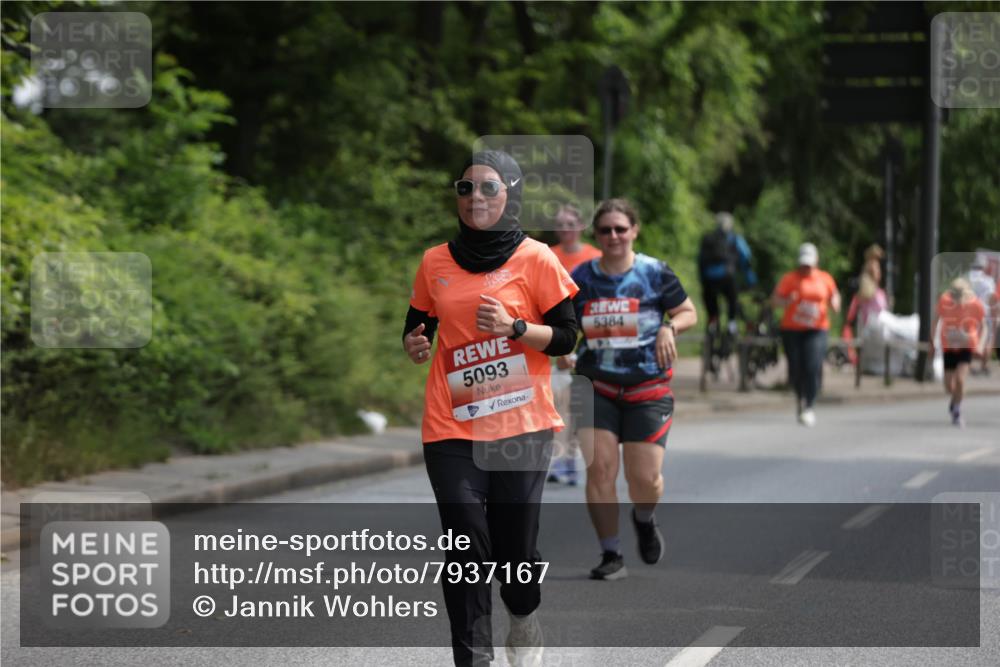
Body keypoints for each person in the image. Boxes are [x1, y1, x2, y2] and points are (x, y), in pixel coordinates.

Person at [402, 150, 579, 667]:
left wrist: (515, 328)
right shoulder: (435, 261)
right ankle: (473, 659)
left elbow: (567, 337)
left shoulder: (536, 258)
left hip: (521, 427)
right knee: (464, 544)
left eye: (488, 188)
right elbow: (418, 325)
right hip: (451, 425)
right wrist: (414, 343)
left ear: (511, 194)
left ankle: (522, 614)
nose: (474, 197)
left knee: (515, 552)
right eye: (465, 188)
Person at [570, 198, 698, 580]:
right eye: (605, 230)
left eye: (620, 229)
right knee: (600, 472)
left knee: (645, 480)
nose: (613, 236)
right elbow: (564, 325)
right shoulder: (581, 278)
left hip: (648, 388)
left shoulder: (655, 272)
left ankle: (644, 517)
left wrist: (669, 327)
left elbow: (688, 311)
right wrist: (563, 351)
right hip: (596, 385)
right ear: (596, 235)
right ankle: (611, 554)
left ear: (634, 231)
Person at [548, 204, 602, 486]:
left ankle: (569, 459)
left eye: (570, 224)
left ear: (581, 226)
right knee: (560, 401)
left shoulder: (594, 258)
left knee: (574, 403)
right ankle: (564, 461)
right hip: (557, 337)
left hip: (585, 340)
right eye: (560, 224)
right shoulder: (548, 255)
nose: (565, 230)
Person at [772, 243, 841, 427]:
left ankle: (809, 405)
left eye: (809, 265)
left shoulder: (825, 278)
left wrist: (835, 303)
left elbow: (834, 295)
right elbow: (775, 300)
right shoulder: (789, 279)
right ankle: (800, 398)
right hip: (792, 330)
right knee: (795, 368)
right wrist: (786, 301)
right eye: (803, 265)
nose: (805, 268)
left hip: (817, 330)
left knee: (812, 365)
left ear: (815, 262)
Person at [930, 278, 986, 427]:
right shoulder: (944, 301)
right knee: (949, 386)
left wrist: (980, 344)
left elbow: (984, 326)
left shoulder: (975, 304)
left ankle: (957, 410)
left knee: (960, 380)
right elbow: (935, 321)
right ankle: (955, 398)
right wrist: (932, 342)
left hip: (966, 346)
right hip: (949, 346)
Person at [697, 211, 756, 336]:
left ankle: (713, 321)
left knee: (711, 302)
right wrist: (750, 280)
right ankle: (731, 323)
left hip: (709, 279)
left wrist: (702, 280)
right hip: (727, 277)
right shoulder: (734, 238)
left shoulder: (707, 238)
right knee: (732, 299)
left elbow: (700, 260)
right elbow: (746, 257)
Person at [966, 256, 997, 374]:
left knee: (969, 338)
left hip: (969, 312)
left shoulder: (967, 277)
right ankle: (984, 365)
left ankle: (967, 364)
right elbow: (992, 300)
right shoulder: (988, 281)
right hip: (984, 313)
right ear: (984, 267)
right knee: (988, 338)